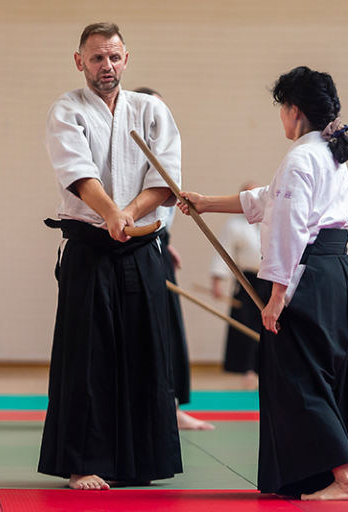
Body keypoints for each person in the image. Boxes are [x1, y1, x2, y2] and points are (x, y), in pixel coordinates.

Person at [178, 66, 348, 501]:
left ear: (294, 110)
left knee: (299, 376)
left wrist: (277, 295)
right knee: (322, 372)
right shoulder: (329, 155)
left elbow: (288, 227)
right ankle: (318, 477)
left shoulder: (301, 158)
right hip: (335, 272)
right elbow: (267, 199)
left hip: (305, 274)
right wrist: (206, 203)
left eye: (282, 107)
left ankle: (344, 479)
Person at [38, 23, 183, 491]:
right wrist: (111, 214)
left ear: (126, 58)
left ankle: (143, 460)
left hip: (140, 246)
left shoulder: (151, 110)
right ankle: (82, 462)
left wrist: (129, 214)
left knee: (146, 351)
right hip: (90, 247)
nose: (107, 66)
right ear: (79, 60)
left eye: (115, 57)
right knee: (88, 356)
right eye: (98, 57)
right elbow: (78, 174)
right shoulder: (67, 110)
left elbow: (166, 179)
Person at [135, 86, 214, 431]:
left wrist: (165, 242)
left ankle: (172, 405)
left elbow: (162, 211)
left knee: (169, 329)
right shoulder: (125, 153)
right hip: (130, 243)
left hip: (156, 245)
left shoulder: (164, 151)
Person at [210, 182, 271, 390]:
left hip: (270, 280)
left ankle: (266, 368)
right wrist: (217, 282)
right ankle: (247, 369)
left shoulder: (272, 221)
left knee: (268, 324)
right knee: (247, 324)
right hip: (247, 281)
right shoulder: (234, 225)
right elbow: (223, 253)